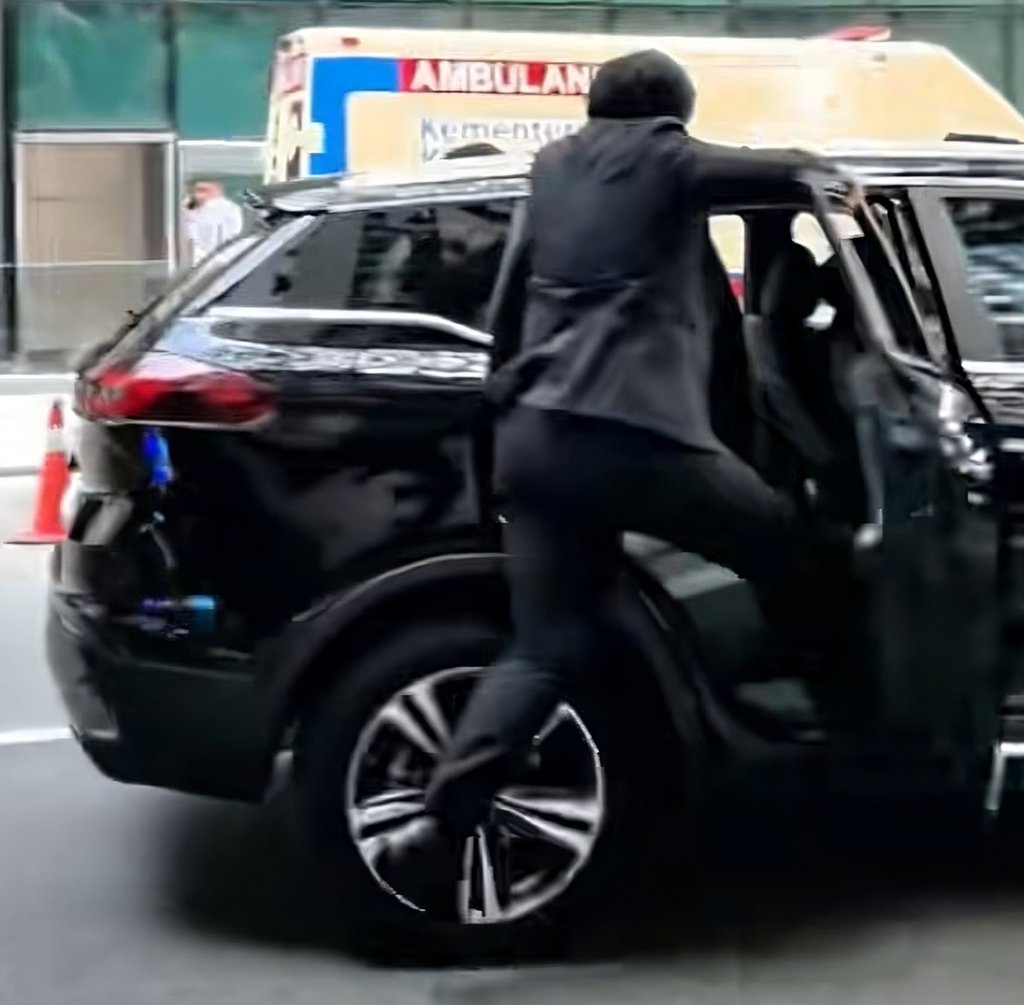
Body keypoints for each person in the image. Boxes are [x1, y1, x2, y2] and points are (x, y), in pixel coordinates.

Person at [379, 50, 847, 915]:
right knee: (787, 540)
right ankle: (829, 708)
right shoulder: (665, 158)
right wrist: (830, 177)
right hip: (635, 436)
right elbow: (779, 169)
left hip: (538, 440)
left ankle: (438, 821)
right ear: (670, 115)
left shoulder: (552, 170)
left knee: (545, 644)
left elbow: (512, 304)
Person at [183, 179, 244, 267]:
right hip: (190, 258)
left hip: (216, 259)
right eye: (196, 190)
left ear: (217, 191)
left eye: (204, 190)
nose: (198, 194)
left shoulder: (229, 209)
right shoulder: (188, 206)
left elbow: (231, 235)